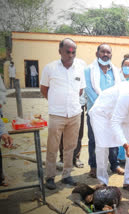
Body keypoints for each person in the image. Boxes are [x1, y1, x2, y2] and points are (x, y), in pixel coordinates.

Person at [40, 38, 86, 190]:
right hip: (57, 115)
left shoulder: (80, 68)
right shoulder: (50, 68)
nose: (71, 54)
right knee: (52, 147)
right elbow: (44, 89)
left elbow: (80, 90)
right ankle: (50, 177)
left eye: (74, 52)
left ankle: (67, 175)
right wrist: (55, 103)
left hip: (74, 114)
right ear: (60, 51)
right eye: (68, 51)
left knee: (70, 146)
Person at [84, 43, 123, 178]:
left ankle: (114, 164)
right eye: (103, 52)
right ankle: (94, 166)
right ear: (97, 54)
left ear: (111, 55)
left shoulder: (116, 71)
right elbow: (89, 91)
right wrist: (103, 107)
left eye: (108, 52)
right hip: (95, 111)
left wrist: (112, 108)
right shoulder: (88, 70)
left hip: (112, 112)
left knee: (113, 138)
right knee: (94, 140)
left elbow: (119, 91)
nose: (105, 55)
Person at [58, 92, 86, 169]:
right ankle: (63, 158)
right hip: (65, 105)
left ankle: (76, 157)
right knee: (64, 133)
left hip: (80, 105)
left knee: (79, 133)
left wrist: (86, 102)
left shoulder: (83, 79)